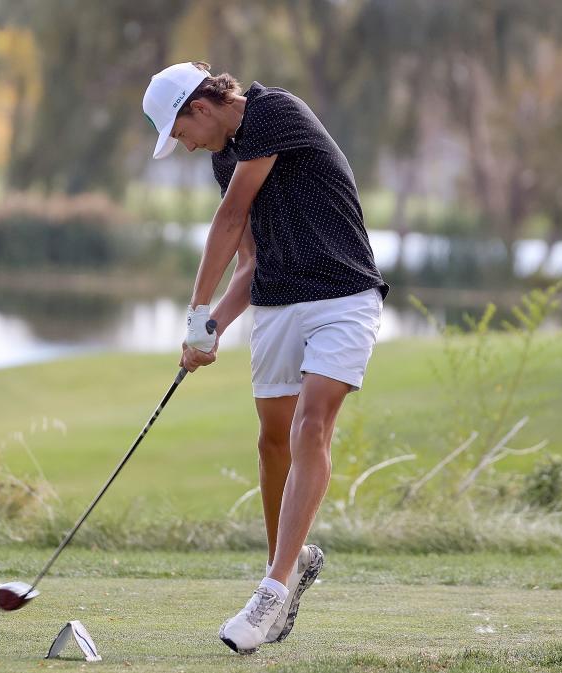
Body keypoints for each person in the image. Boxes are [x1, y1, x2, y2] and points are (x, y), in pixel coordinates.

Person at [142, 62, 390, 654]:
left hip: (343, 297)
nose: (184, 145)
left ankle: (272, 590)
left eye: (179, 132)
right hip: (279, 306)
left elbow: (228, 220)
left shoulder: (275, 111)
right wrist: (209, 329)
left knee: (311, 427)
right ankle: (294, 560)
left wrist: (194, 306)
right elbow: (250, 262)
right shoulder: (224, 158)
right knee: (272, 441)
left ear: (199, 107)